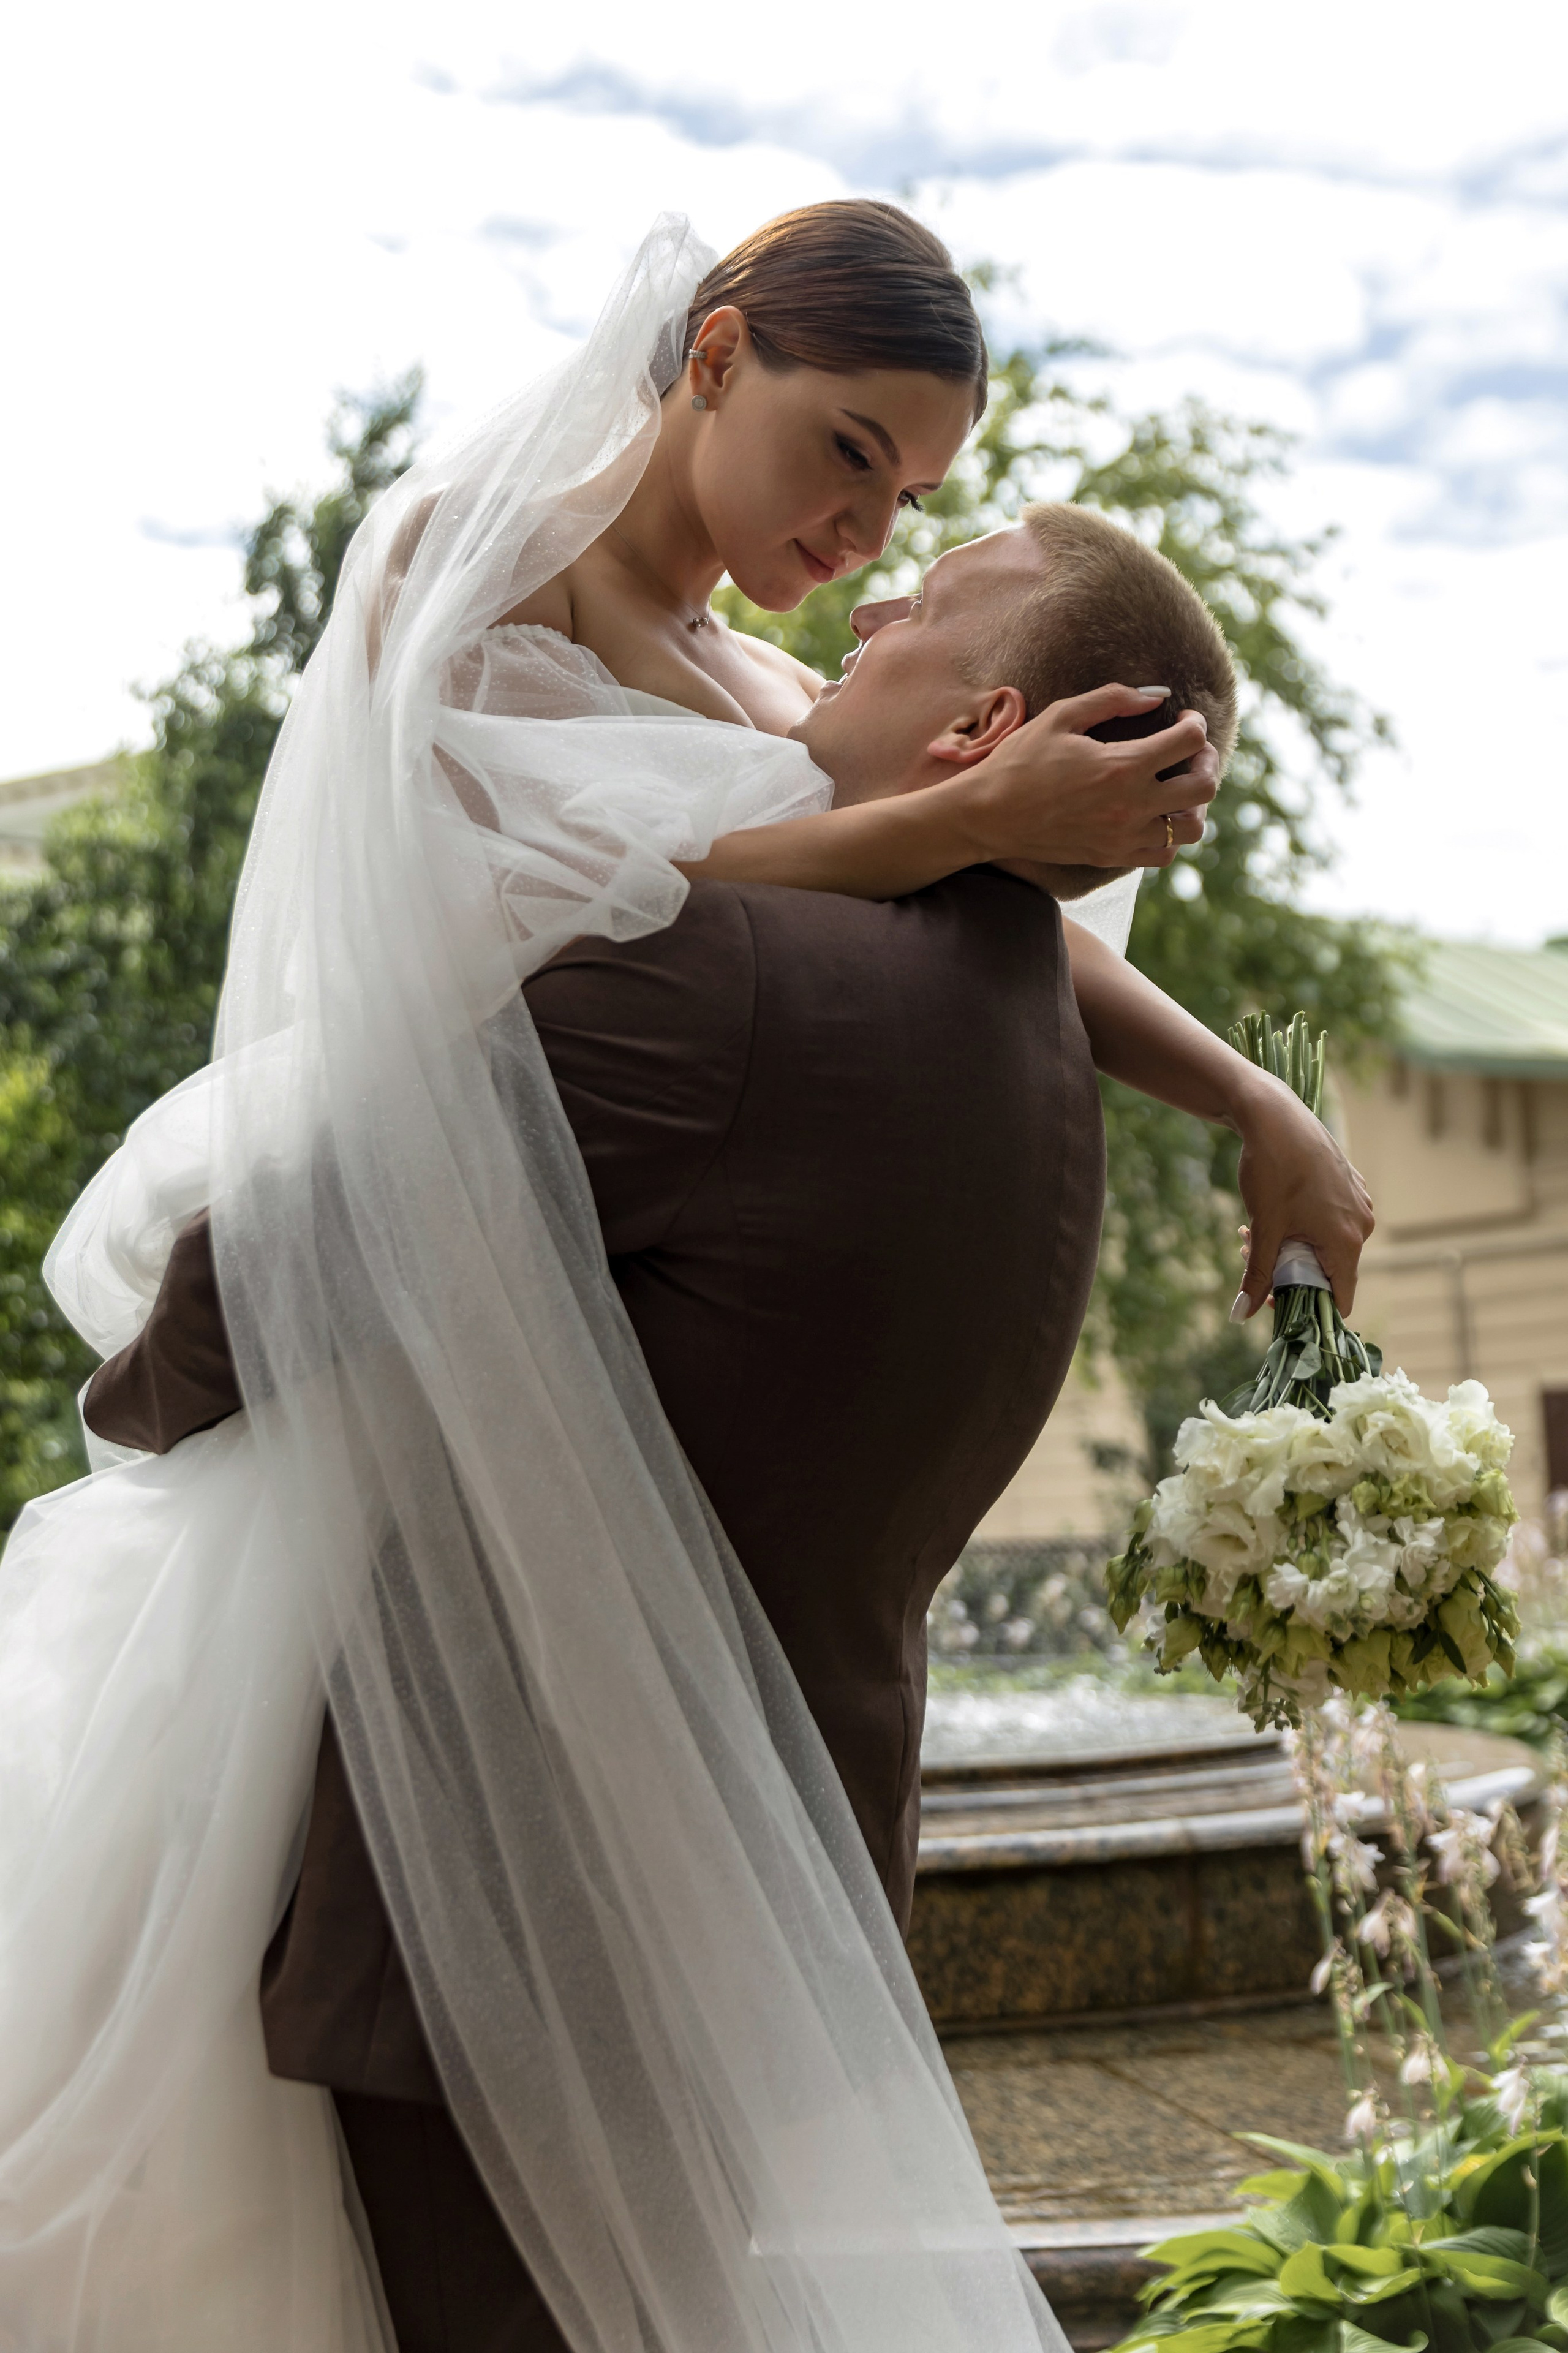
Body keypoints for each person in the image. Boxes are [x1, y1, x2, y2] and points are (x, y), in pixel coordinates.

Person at [0, 206, 1368, 2353]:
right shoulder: (462, 573)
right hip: (419, 1261)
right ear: (711, 352)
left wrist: (1259, 1106)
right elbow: (657, 882)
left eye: (908, 500)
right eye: (845, 450)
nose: (861, 525)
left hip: (536, 1309)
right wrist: (948, 814)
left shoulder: (767, 679)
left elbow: (884, 863)